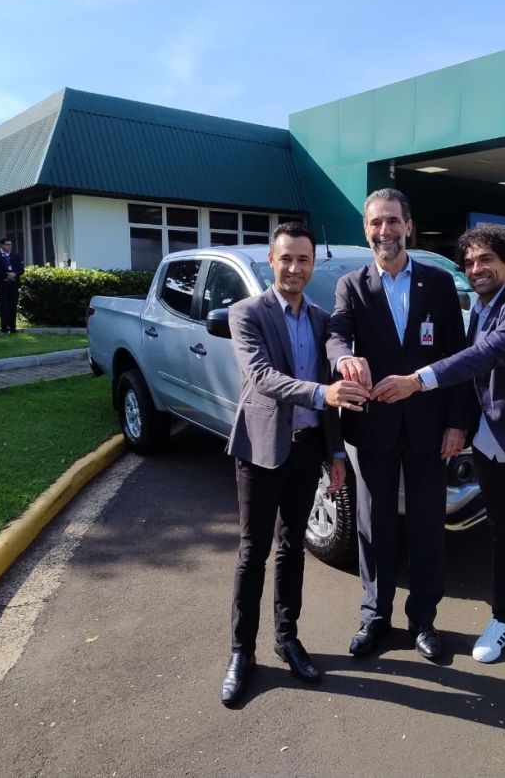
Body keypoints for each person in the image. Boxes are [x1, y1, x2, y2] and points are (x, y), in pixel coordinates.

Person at [368, 227, 505, 682]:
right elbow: (476, 380)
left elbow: (485, 357)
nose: (476, 269)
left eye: (486, 259)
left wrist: (416, 380)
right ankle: (504, 621)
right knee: (502, 539)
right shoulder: (482, 308)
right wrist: (460, 426)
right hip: (492, 447)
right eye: (469, 263)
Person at [220, 223, 369, 707]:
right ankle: (241, 652)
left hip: (307, 451)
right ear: (271, 260)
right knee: (253, 552)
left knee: (292, 549)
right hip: (261, 449)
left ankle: (287, 639)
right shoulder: (247, 313)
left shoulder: (323, 320)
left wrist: (335, 453)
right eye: (286, 258)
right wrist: (324, 392)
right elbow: (262, 377)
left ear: (312, 264)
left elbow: (331, 395)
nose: (294, 268)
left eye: (303, 259)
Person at [327, 188, 468, 662]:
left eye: (392, 221)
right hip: (374, 428)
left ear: (408, 226)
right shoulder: (351, 285)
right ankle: (375, 616)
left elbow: (457, 357)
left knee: (428, 526)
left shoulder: (439, 283)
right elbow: (336, 333)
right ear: (365, 229)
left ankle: (423, 619)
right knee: (374, 527)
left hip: (430, 429)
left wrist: (457, 423)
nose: (384, 231)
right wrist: (344, 359)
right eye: (375, 222)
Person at [0, 238, 23, 333]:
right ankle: (4, 327)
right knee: (4, 305)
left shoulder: (15, 255)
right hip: (1, 284)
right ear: (1, 245)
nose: (9, 246)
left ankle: (13, 327)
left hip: (14, 283)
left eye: (10, 245)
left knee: (13, 305)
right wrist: (6, 276)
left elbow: (21, 269)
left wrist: (14, 274)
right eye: (7, 244)